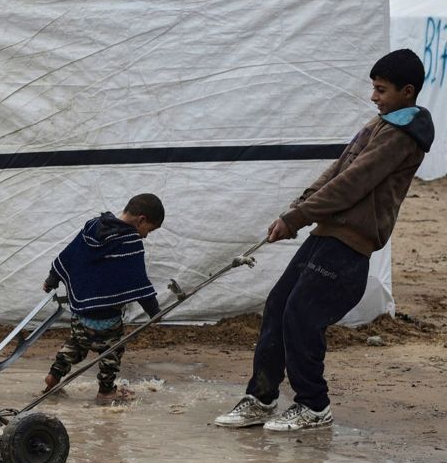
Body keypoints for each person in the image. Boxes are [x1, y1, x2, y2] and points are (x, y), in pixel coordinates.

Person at [215, 49, 434, 432]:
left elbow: (353, 182)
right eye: (374, 88)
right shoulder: (379, 123)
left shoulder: (401, 137)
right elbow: (337, 168)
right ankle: (261, 397)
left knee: (301, 315)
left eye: (381, 90)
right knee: (278, 305)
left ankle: (314, 405)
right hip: (327, 232)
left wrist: (297, 217)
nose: (374, 97)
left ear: (407, 92)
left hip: (350, 243)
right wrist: (298, 209)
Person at [42, 194, 164, 405]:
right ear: (141, 220)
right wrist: (154, 311)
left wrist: (52, 278)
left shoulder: (93, 226)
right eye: (149, 230)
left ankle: (54, 375)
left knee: (76, 345)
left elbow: (70, 254)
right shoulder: (130, 241)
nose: (146, 236)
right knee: (110, 353)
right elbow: (138, 280)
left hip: (81, 311)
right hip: (108, 317)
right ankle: (106, 392)